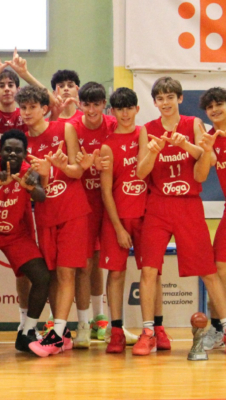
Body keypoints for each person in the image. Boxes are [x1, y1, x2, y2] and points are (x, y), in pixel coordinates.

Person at [134, 76, 226, 355]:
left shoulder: (193, 124)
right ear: (154, 102)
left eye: (170, 97)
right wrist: (153, 153)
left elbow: (203, 166)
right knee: (148, 270)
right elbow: (140, 172)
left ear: (180, 99)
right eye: (160, 98)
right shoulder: (148, 130)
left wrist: (185, 145)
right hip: (158, 206)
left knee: (208, 271)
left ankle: (224, 328)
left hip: (188, 205)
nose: (165, 102)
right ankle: (148, 332)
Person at [14, 85, 90, 357]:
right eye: (23, 108)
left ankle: (56, 335)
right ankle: (63, 332)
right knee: (54, 274)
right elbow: (35, 189)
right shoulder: (22, 142)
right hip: (46, 215)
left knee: (67, 273)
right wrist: (44, 175)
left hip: (72, 211)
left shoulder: (65, 129)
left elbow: (77, 171)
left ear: (44, 108)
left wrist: (59, 167)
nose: (27, 112)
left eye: (32, 107)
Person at [99, 87, 164, 352]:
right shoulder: (107, 145)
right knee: (116, 273)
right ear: (112, 112)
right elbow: (105, 191)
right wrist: (117, 227)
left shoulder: (144, 135)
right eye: (119, 109)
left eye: (129, 108)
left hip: (146, 216)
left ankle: (157, 328)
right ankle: (116, 330)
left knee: (152, 272)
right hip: (118, 218)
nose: (125, 114)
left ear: (137, 109)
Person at [0, 129, 50, 352]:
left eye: (18, 151)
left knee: (42, 277)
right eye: (8, 149)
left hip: (15, 234)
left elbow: (41, 196)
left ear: (25, 154)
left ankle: (27, 331)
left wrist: (32, 187)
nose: (12, 154)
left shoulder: (29, 172)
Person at [67, 82, 117, 347]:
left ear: (104, 104)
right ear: (80, 105)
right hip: (83, 202)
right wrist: (88, 165)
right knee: (84, 264)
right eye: (87, 105)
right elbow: (73, 166)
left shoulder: (113, 124)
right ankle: (83, 325)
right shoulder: (73, 127)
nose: (92, 110)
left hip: (110, 201)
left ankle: (102, 320)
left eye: (97, 104)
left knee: (104, 263)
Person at [198, 87, 226, 350]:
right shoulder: (208, 137)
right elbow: (203, 171)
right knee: (218, 269)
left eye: (219, 104)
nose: (215, 110)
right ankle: (219, 329)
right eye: (210, 107)